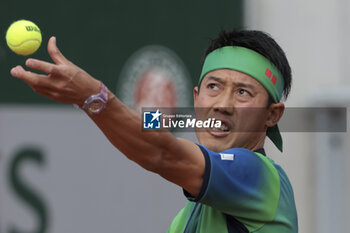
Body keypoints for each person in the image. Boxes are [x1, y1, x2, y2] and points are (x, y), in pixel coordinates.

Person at [10, 29, 298, 233]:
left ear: (271, 115)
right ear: (196, 99)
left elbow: (164, 153)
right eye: (214, 87)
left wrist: (92, 98)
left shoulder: (259, 176)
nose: (223, 105)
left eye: (243, 93)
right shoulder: (183, 220)